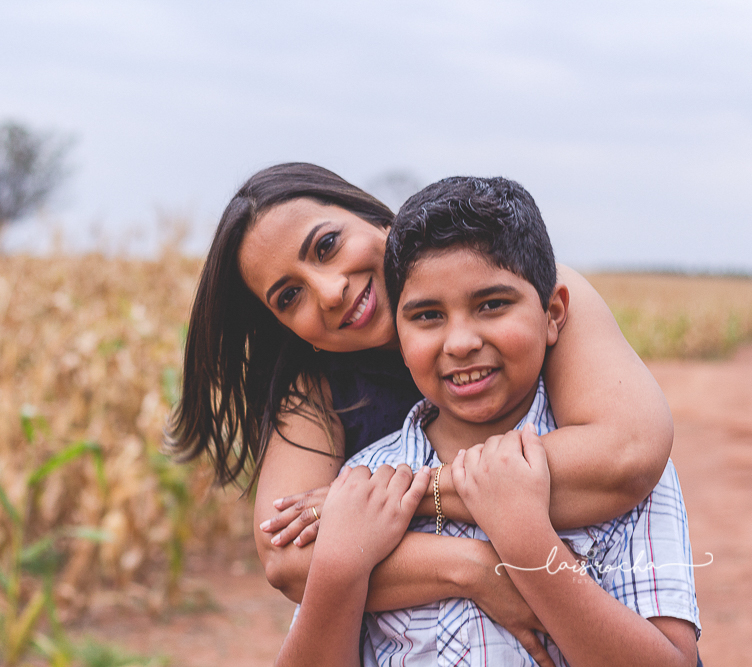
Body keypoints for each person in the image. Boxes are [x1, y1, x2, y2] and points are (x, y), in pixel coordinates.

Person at [167, 163, 674, 661]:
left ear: (376, 219)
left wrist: (397, 501)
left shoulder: (523, 287)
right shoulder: (317, 392)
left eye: (327, 246)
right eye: (290, 295)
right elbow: (290, 559)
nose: (329, 291)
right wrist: (476, 568)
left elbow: (626, 451)